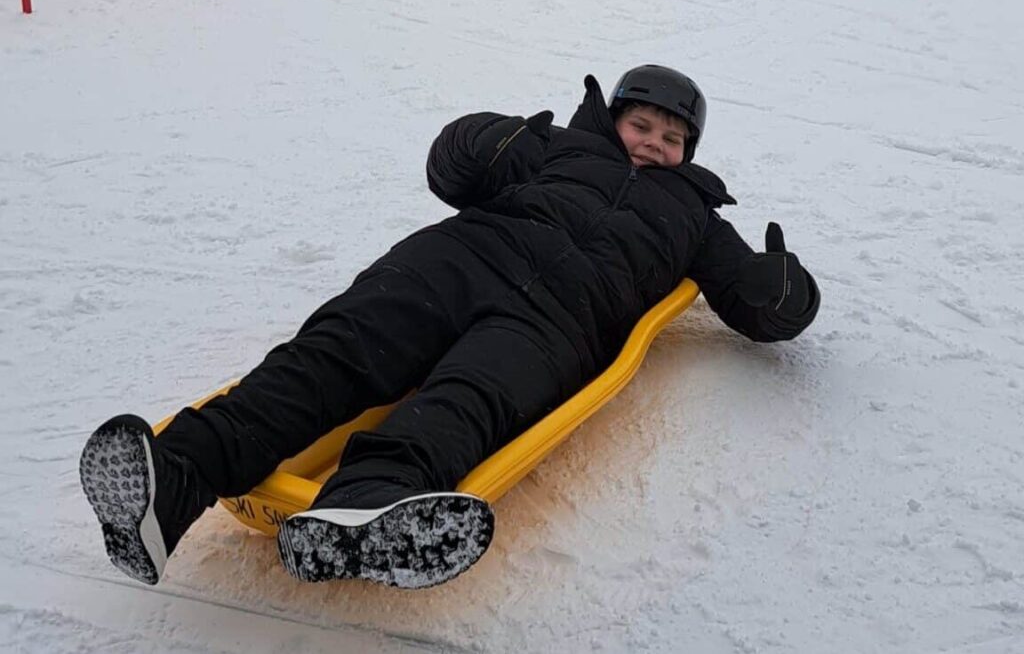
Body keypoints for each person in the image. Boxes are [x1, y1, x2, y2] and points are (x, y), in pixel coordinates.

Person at [79, 65, 820, 590]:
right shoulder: (562, 146)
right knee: (336, 352)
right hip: (462, 256)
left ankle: (366, 505)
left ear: (690, 151)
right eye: (641, 124)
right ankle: (170, 479)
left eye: (671, 136)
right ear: (614, 118)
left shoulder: (694, 216)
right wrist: (482, 139)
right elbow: (450, 168)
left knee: (472, 399)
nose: (652, 144)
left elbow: (758, 306)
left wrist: (785, 291)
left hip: (558, 321)